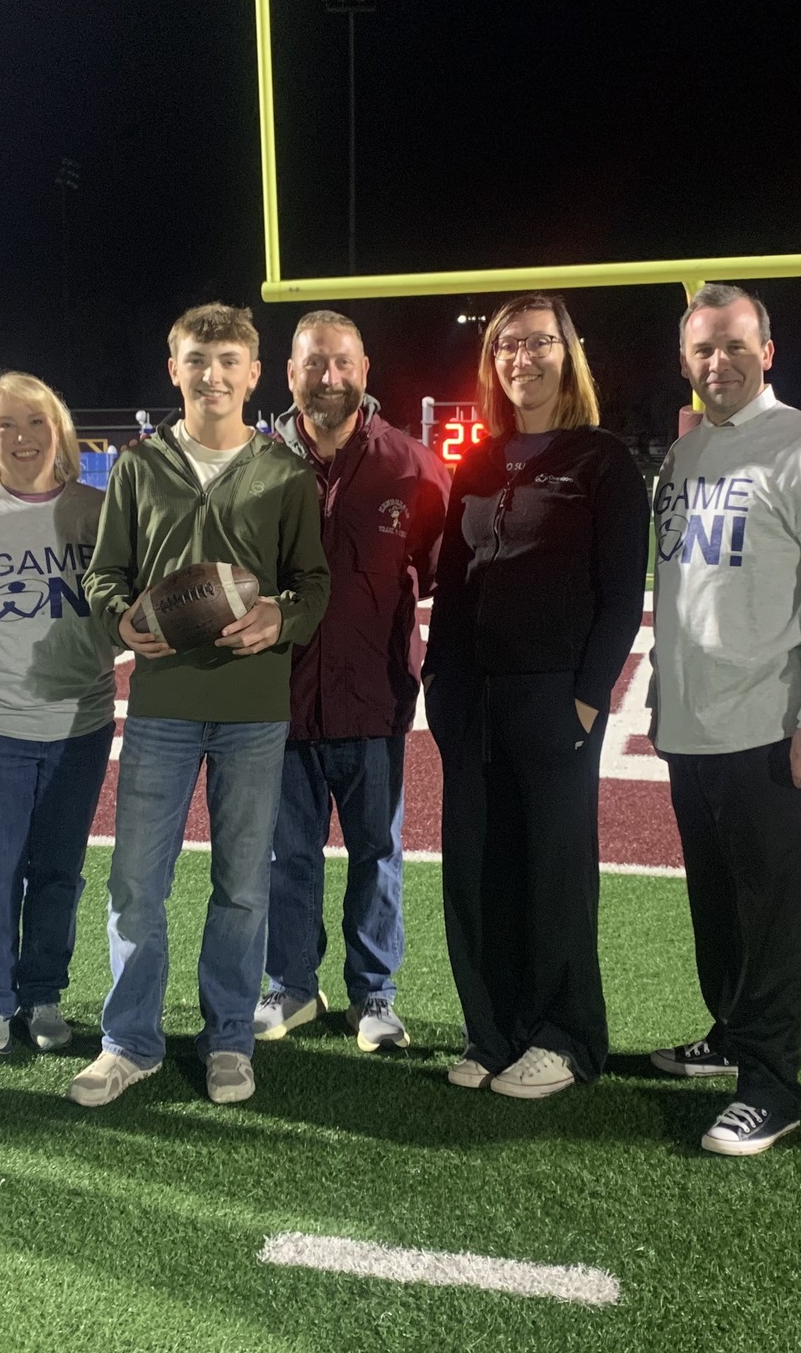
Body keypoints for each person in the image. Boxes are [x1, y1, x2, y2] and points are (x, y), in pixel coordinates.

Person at [71, 303, 330, 1107]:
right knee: (136, 883)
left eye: (227, 361)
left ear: (255, 374)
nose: (211, 375)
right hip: (163, 703)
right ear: (173, 369)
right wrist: (120, 614)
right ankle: (131, 1041)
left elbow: (314, 583)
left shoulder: (285, 472)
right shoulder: (141, 467)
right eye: (196, 360)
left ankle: (227, 1038)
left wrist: (280, 617)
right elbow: (104, 572)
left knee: (243, 883)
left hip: (254, 706)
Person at [648, 284, 801, 1155]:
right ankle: (732, 1031)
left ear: (767, 351)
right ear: (685, 360)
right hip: (691, 723)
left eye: (735, 345)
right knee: (716, 905)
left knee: (773, 912)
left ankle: (774, 1082)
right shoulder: (684, 455)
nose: (718, 362)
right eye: (703, 349)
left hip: (773, 725)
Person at [423, 293, 647, 1099]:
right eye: (508, 345)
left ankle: (565, 1036)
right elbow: (451, 586)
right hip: (471, 700)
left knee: (553, 871)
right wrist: (438, 685)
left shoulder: (602, 460)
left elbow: (622, 593)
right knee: (478, 870)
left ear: (567, 354)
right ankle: (494, 1029)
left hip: (553, 698)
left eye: (539, 343)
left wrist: (587, 700)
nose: (524, 358)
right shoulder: (478, 462)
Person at [254, 310, 450, 1051]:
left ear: (364, 370)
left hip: (374, 699)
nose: (328, 379)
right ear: (291, 373)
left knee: (378, 854)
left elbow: (428, 573)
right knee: (286, 856)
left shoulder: (413, 464)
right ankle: (293, 985)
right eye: (313, 365)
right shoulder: (258, 464)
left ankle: (374, 994)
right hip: (282, 699)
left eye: (341, 364)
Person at [0, 373, 117, 1059]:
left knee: (58, 870)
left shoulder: (98, 511)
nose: (22, 438)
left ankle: (43, 994)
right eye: (4, 424)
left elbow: (126, 607)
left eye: (35, 422)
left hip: (81, 721)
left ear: (60, 431)